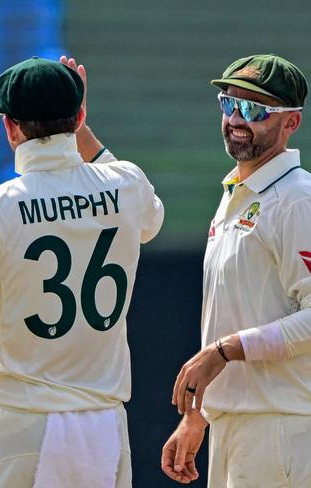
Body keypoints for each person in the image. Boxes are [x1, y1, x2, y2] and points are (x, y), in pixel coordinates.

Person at [0, 56, 164, 487]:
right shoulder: (127, 183)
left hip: (22, 423)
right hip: (104, 430)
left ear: (12, 129)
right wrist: (79, 126)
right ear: (80, 117)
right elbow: (151, 220)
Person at [161, 54, 311, 486]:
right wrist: (201, 414)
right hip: (241, 429)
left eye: (255, 109)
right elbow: (240, 310)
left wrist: (223, 350)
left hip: (283, 429)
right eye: (229, 104)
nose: (236, 120)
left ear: (291, 123)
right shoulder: (237, 192)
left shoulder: (296, 199)